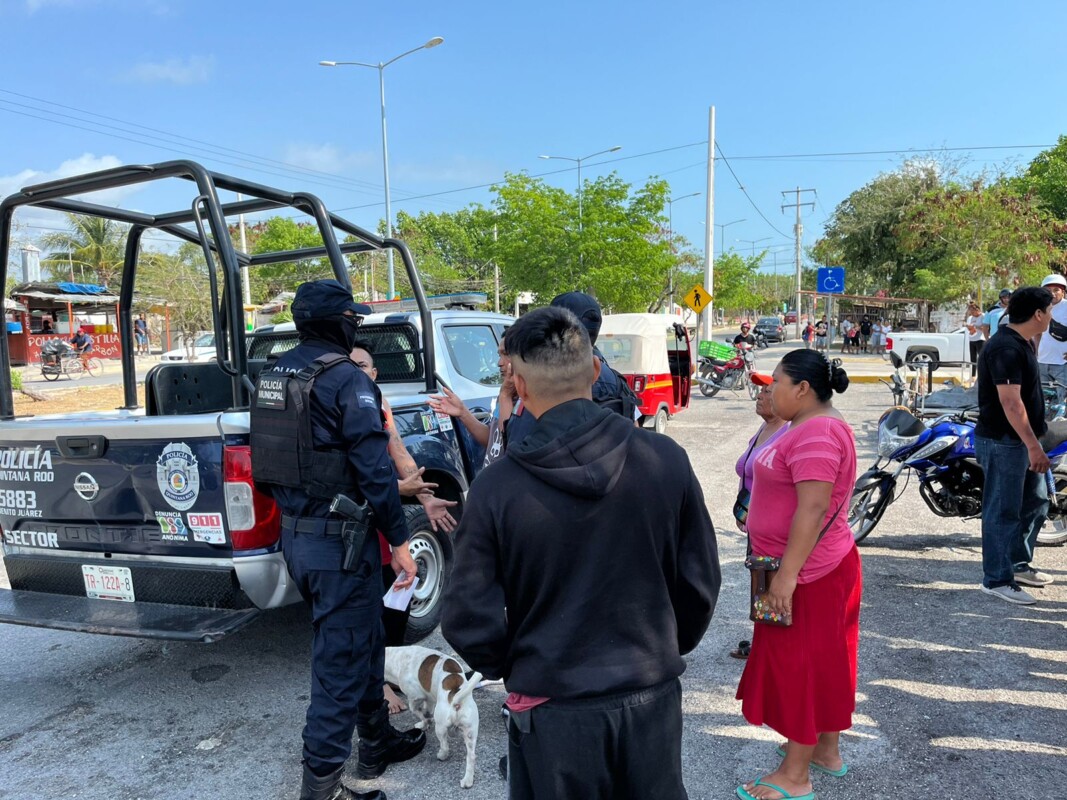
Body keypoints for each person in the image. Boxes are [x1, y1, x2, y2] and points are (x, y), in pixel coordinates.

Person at [442, 306, 721, 800]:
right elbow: (699, 582)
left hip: (552, 704)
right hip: (649, 693)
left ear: (519, 386)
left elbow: (466, 614)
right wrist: (661, 647)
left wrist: (520, 663)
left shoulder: (497, 487)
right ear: (595, 369)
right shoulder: (665, 460)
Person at [249, 279, 426, 800]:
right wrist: (399, 542)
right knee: (340, 664)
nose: (357, 326)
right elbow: (375, 472)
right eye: (354, 319)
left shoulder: (272, 375)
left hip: (301, 538)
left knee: (365, 641)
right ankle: (322, 787)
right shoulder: (346, 379)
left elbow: (267, 466)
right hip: (340, 544)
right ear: (340, 323)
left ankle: (376, 742)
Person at [735, 349, 860, 800]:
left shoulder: (818, 432)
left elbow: (813, 508)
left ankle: (794, 775)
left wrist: (787, 577)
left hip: (806, 573)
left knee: (801, 666)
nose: (770, 392)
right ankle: (824, 751)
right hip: (797, 566)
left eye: (777, 384)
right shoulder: (803, 424)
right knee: (820, 660)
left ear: (803, 389)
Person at [350, 340, 458, 715]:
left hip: (387, 519)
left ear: (374, 373)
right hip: (357, 524)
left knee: (398, 596)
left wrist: (425, 497)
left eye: (362, 366)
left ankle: (388, 670)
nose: (356, 371)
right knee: (370, 607)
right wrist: (398, 489)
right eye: (350, 365)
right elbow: (350, 480)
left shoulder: (378, 402)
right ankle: (376, 682)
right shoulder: (337, 405)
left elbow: (398, 450)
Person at [975, 286, 1055, 606]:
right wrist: (1033, 446)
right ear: (1038, 314)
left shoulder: (1023, 342)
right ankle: (996, 579)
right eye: (1049, 310)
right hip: (1004, 442)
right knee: (1002, 510)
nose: (1051, 316)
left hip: (1023, 441)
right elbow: (1010, 403)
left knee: (1035, 503)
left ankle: (1018, 565)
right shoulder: (1005, 348)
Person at [730, 372, 789, 660]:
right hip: (755, 524)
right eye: (759, 391)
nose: (760, 396)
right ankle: (762, 642)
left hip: (770, 527)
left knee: (768, 584)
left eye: (766, 392)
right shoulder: (764, 428)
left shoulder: (786, 432)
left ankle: (769, 648)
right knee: (759, 584)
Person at [1035, 274, 1067, 405]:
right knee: (1043, 403)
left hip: (1062, 363)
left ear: (1063, 291)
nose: (1052, 293)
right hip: (1042, 362)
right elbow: (1037, 333)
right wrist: (1036, 353)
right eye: (1048, 290)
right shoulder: (1040, 308)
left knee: (1061, 403)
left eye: (1056, 290)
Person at [965, 302, 985, 372]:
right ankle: (973, 374)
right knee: (972, 359)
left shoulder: (983, 316)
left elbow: (985, 328)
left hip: (980, 339)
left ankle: (982, 374)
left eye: (973, 311)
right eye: (970, 312)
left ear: (977, 310)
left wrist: (976, 326)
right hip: (972, 339)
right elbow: (970, 327)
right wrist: (969, 327)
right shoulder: (971, 318)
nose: (972, 313)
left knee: (981, 358)